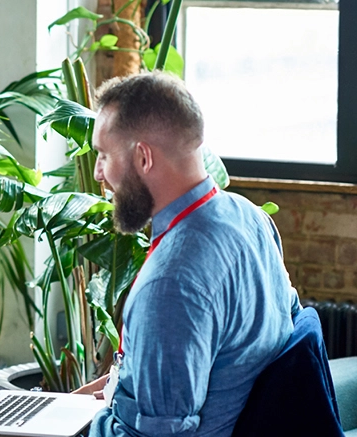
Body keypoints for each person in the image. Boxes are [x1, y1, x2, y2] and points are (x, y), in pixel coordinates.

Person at [74, 72, 301, 435]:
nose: (98, 173)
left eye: (103, 155)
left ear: (143, 157)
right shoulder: (248, 217)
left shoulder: (170, 285)